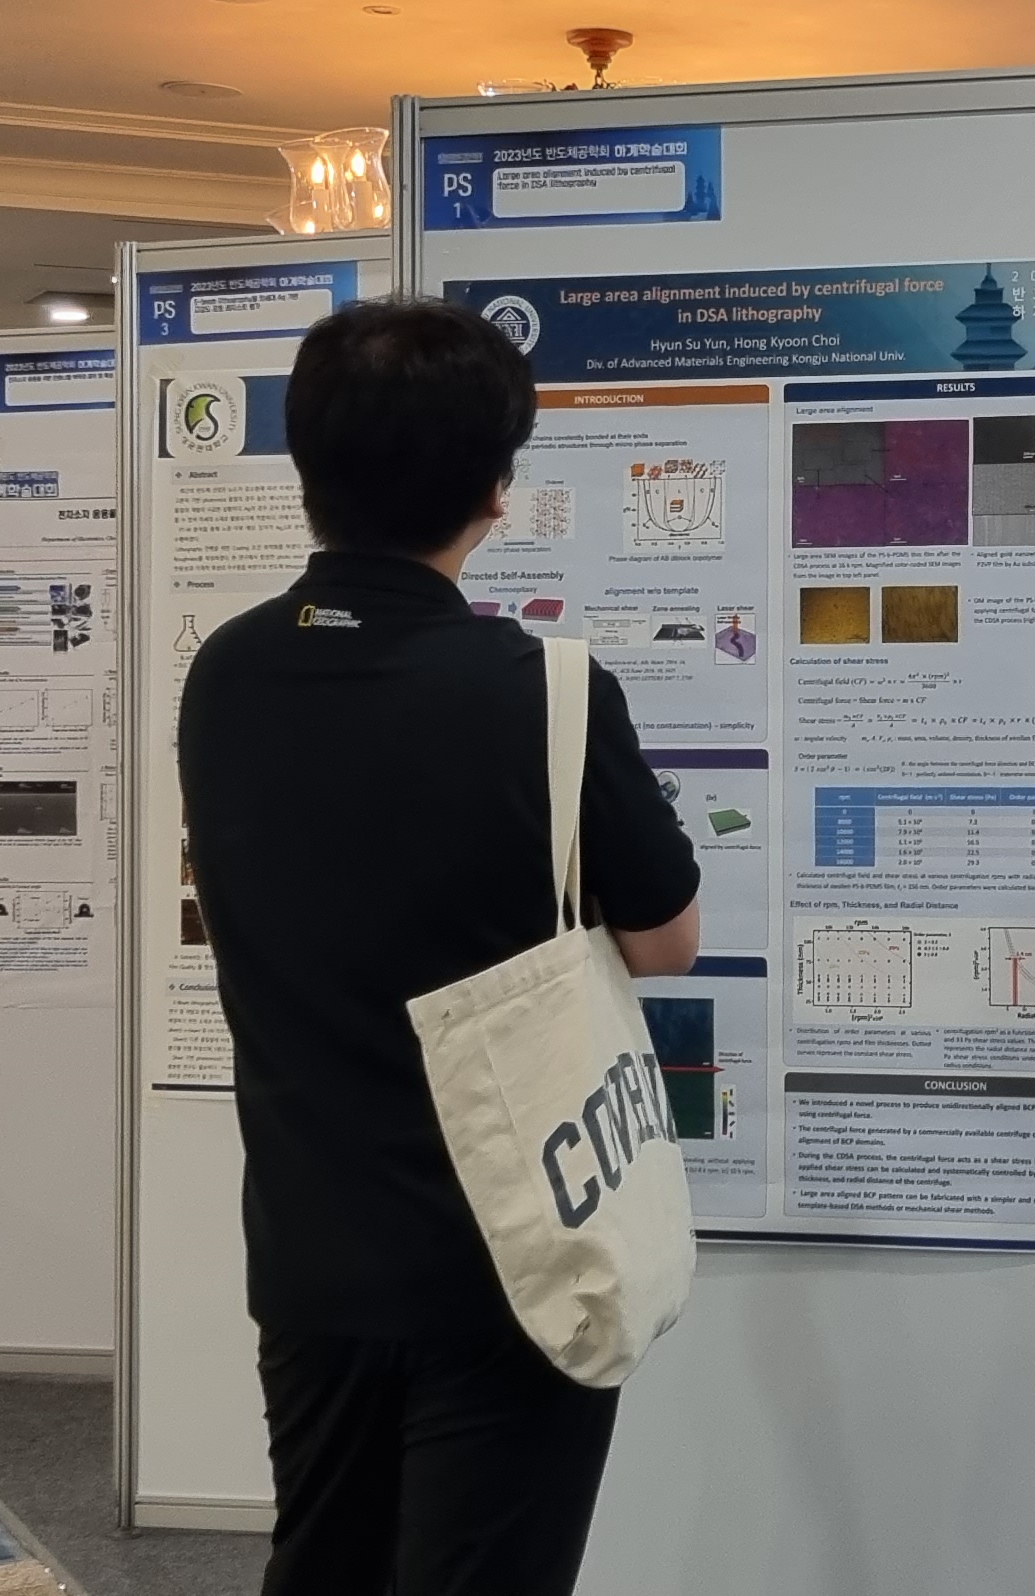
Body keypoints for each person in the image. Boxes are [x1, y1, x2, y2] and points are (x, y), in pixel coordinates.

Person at [180, 297, 700, 1596]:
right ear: (495, 487)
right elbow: (666, 940)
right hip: (515, 1250)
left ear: (307, 471)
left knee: (323, 1564)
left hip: (310, 1246)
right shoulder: (544, 690)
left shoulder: (225, 675)